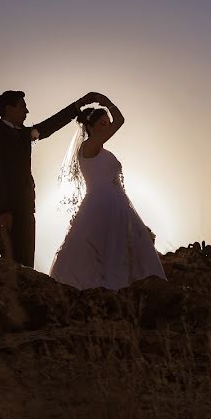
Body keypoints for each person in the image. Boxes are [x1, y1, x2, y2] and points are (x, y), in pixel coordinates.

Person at [49, 94, 167, 289]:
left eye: (107, 123)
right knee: (100, 249)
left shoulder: (100, 150)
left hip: (117, 203)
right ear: (91, 127)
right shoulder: (88, 147)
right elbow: (120, 120)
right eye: (103, 123)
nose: (107, 126)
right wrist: (105, 101)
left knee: (122, 249)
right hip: (101, 205)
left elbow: (117, 122)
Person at [0, 90, 98, 267]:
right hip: (7, 211)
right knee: (10, 263)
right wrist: (2, 210)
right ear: (9, 109)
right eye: (22, 106)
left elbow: (51, 124)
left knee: (28, 263)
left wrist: (78, 105)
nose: (27, 111)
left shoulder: (24, 134)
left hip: (27, 206)